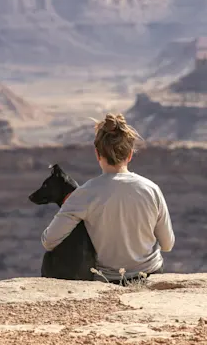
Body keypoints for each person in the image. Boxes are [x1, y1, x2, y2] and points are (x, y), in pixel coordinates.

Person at [41, 113, 175, 283]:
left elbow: (49, 241)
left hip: (108, 280)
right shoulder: (151, 189)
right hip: (150, 275)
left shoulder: (84, 194)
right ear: (130, 155)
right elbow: (167, 245)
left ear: (97, 154)